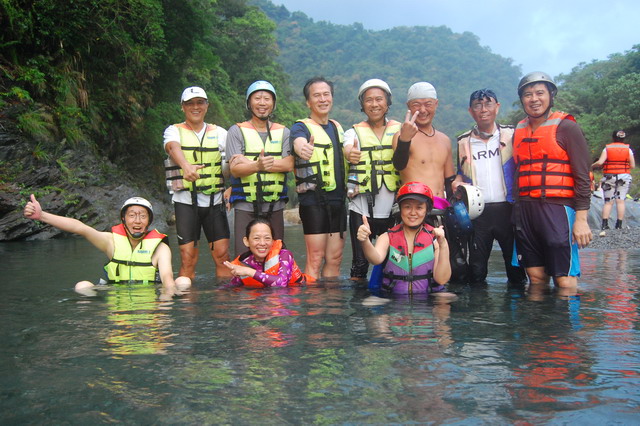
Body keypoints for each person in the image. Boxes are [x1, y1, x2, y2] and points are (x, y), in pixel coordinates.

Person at [512, 71, 593, 290]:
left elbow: (582, 176)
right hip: (525, 209)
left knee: (564, 280)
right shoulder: (518, 130)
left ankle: (567, 313)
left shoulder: (567, 127)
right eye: (528, 95)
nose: (534, 99)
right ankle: (538, 314)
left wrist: (581, 219)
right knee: (536, 278)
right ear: (522, 100)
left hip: (557, 208)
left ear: (551, 95)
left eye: (540, 93)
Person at [23, 195, 189, 300]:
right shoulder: (111, 241)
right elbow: (80, 228)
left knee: (183, 281)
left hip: (151, 292)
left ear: (149, 221)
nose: (137, 221)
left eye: (143, 216)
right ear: (123, 220)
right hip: (115, 291)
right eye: (132, 215)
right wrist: (42, 215)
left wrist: (163, 308)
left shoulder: (160, 247)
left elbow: (167, 279)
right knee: (82, 286)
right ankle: (98, 310)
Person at [452, 89, 527, 285]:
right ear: (471, 111)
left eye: (488, 104)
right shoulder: (463, 141)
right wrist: (457, 182)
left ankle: (518, 303)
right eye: (477, 105)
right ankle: (478, 305)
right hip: (478, 212)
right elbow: (461, 172)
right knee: (477, 271)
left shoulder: (512, 134)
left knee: (516, 270)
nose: (483, 109)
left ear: (497, 107)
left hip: (508, 210)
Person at [163, 86, 230, 279]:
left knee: (222, 256)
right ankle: (186, 297)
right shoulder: (173, 131)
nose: (195, 107)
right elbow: (172, 147)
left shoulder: (221, 133)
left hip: (215, 201)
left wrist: (232, 186)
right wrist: (186, 166)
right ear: (183, 107)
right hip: (185, 202)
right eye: (190, 103)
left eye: (200, 102)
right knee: (187, 258)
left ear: (207, 106)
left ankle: (224, 296)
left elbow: (233, 162)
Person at [227, 81, 294, 256]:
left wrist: (250, 164)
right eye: (257, 98)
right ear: (249, 103)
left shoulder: (284, 132)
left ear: (273, 103)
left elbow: (288, 164)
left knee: (275, 257)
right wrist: (257, 165)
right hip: (245, 204)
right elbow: (235, 170)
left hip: (274, 203)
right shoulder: (236, 131)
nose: (262, 103)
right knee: (244, 256)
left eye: (267, 99)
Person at [344, 79, 401, 281]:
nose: (374, 104)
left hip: (392, 210)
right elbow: (348, 148)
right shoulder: (353, 132)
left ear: (387, 102)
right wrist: (350, 153)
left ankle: (387, 297)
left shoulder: (400, 130)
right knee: (360, 264)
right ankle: (358, 300)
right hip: (361, 210)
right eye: (369, 100)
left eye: (379, 99)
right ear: (362, 104)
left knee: (392, 263)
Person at [291, 77, 346, 279]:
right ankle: (313, 298)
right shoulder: (301, 128)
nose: (322, 99)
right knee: (315, 258)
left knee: (335, 258)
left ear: (331, 97)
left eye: (326, 94)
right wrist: (302, 148)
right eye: (316, 95)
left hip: (338, 200)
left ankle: (330, 298)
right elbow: (297, 142)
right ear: (308, 102)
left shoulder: (337, 127)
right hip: (313, 201)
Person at [357, 182, 453, 296]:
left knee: (447, 298)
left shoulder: (436, 239)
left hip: (428, 298)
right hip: (392, 297)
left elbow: (442, 280)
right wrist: (365, 241)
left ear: (427, 210)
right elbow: (375, 259)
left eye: (419, 207)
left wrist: (443, 245)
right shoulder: (387, 237)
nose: (413, 213)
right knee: (369, 303)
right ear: (400, 209)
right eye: (407, 207)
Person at [392, 82, 456, 199]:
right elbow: (399, 165)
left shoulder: (444, 140)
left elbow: (449, 181)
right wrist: (404, 140)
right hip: (415, 205)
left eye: (428, 104)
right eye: (416, 105)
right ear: (408, 106)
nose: (422, 110)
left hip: (440, 204)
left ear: (436, 104)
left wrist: (453, 205)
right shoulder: (401, 136)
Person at [224, 218, 314, 287]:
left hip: (306, 290)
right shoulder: (244, 264)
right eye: (256, 238)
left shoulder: (284, 255)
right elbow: (232, 287)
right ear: (246, 241)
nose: (262, 243)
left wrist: (249, 272)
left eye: (267, 238)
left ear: (273, 241)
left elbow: (281, 283)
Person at [592, 129, 635, 230]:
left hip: (609, 177)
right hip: (624, 177)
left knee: (608, 201)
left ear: (613, 137)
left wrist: (592, 165)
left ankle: (604, 224)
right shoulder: (628, 149)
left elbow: (600, 162)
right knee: (620, 201)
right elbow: (632, 165)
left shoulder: (607, 148)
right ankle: (619, 225)